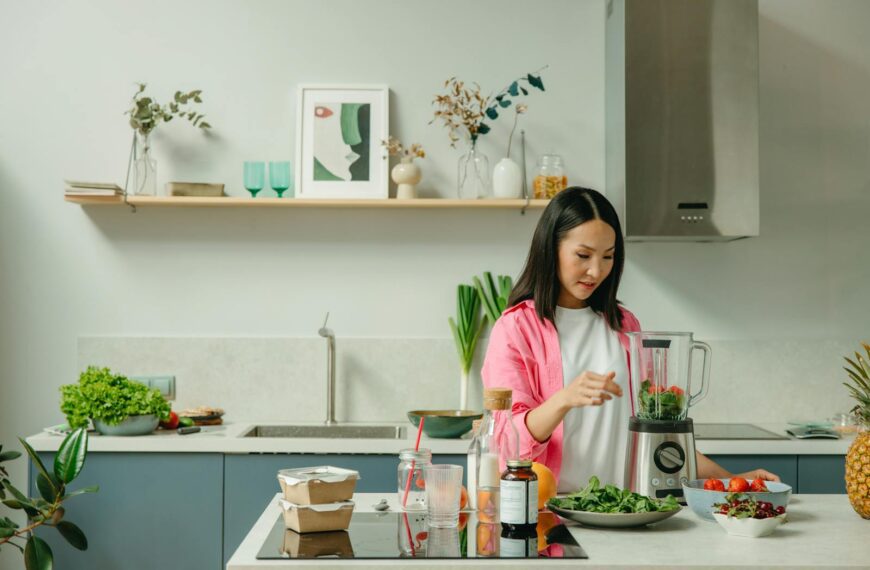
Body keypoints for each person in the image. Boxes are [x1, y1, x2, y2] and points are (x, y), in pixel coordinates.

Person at [481, 187, 779, 492]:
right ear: (550, 248)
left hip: (624, 509)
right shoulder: (515, 329)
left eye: (608, 257)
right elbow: (506, 442)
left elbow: (658, 434)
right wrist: (564, 399)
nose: (596, 271)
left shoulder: (623, 325)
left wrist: (733, 480)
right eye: (583, 255)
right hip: (552, 513)